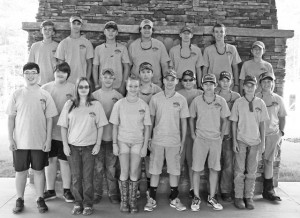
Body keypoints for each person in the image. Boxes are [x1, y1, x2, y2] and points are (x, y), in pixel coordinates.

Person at [7, 62, 58, 214]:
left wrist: (48, 140)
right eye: (27, 72)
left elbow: (50, 119)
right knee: (21, 172)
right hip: (20, 142)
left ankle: (40, 198)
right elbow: (11, 118)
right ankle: (20, 199)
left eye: (33, 72)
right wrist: (11, 139)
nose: (30, 75)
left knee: (39, 170)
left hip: (39, 142)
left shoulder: (45, 95)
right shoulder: (17, 94)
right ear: (23, 75)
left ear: (38, 74)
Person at [58, 77, 108, 215]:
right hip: (73, 147)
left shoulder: (95, 105)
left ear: (89, 89)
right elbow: (63, 127)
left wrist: (97, 144)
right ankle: (78, 203)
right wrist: (65, 145)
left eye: (86, 87)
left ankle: (88, 204)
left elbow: (101, 126)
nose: (84, 89)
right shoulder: (69, 104)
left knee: (88, 178)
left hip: (89, 147)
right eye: (81, 87)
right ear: (77, 88)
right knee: (76, 178)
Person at [144, 69, 189, 212]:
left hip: (174, 141)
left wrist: (182, 141)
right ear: (163, 80)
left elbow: (184, 122)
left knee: (174, 171)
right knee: (155, 170)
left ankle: (174, 198)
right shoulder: (156, 98)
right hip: (157, 140)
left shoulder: (181, 99)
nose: (170, 82)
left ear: (176, 81)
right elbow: (150, 119)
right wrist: (149, 137)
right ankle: (151, 199)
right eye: (167, 79)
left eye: (173, 79)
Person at [110, 75, 151, 213]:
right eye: (130, 86)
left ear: (139, 87)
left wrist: (145, 146)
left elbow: (147, 128)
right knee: (124, 171)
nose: (133, 89)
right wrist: (115, 144)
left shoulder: (143, 105)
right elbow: (115, 125)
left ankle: (133, 202)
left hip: (137, 142)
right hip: (123, 141)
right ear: (126, 87)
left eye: (136, 86)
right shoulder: (119, 104)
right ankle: (124, 201)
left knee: (134, 172)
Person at [189, 74, 230, 212]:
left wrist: (221, 136)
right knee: (196, 169)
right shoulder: (196, 100)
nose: (208, 86)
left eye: (211, 84)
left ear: (215, 85)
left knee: (214, 168)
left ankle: (212, 197)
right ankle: (196, 197)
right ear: (202, 85)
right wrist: (193, 134)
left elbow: (225, 120)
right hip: (200, 138)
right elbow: (191, 118)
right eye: (205, 84)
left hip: (215, 139)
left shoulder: (221, 101)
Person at [230, 75, 269, 210]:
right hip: (241, 140)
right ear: (243, 87)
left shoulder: (260, 103)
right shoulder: (239, 102)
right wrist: (234, 140)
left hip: (255, 141)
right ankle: (239, 197)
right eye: (247, 85)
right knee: (239, 171)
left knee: (252, 171)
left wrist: (262, 142)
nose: (250, 87)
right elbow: (234, 123)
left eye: (252, 85)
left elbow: (263, 124)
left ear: (256, 86)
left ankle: (249, 197)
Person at [41, 62, 75, 203]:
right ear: (54, 72)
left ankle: (67, 191)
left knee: (65, 161)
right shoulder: (45, 88)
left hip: (67, 133)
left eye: (64, 71)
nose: (60, 73)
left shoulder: (73, 88)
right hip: (49, 132)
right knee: (50, 160)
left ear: (68, 74)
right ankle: (51, 190)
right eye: (58, 71)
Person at [92, 68, 123, 204]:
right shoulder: (94, 95)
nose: (108, 80)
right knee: (97, 169)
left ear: (114, 79)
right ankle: (97, 193)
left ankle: (113, 193)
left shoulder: (119, 96)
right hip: (96, 139)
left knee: (111, 169)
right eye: (105, 77)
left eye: (111, 77)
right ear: (101, 78)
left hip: (112, 138)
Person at [256, 72, 287, 202]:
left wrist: (281, 133)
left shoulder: (278, 99)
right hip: (256, 136)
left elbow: (282, 117)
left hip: (272, 134)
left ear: (273, 83)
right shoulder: (255, 97)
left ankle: (268, 190)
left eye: (269, 81)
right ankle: (249, 191)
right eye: (264, 81)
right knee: (254, 162)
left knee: (269, 161)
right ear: (260, 84)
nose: (267, 84)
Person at [137, 62, 162, 197]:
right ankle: (134, 187)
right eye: (143, 72)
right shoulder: (134, 88)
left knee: (148, 159)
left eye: (148, 71)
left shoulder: (157, 90)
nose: (145, 74)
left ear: (152, 74)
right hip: (136, 129)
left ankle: (148, 187)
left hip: (152, 130)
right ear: (139, 74)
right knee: (135, 159)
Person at [177, 70, 203, 198]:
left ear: (195, 81)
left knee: (193, 163)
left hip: (195, 133)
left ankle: (193, 189)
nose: (188, 82)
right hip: (179, 133)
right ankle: (174, 191)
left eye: (190, 80)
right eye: (185, 80)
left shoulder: (201, 93)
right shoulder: (177, 94)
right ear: (181, 82)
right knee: (178, 162)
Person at [217, 71, 241, 202]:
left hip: (230, 135)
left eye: (227, 80)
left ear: (231, 82)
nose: (225, 83)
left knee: (228, 165)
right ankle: (213, 191)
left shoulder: (237, 97)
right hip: (215, 134)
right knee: (213, 164)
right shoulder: (214, 95)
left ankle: (225, 191)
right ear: (219, 82)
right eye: (223, 80)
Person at [128, 19, 170, 87]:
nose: (146, 30)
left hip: (155, 85)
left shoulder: (159, 45)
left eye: (149, 28)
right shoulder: (133, 45)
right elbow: (128, 66)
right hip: (136, 86)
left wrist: (166, 83)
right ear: (140, 30)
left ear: (152, 30)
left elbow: (164, 66)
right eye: (144, 28)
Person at [93, 21, 130, 95]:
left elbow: (127, 68)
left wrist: (123, 86)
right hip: (102, 85)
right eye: (108, 30)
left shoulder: (122, 48)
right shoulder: (98, 48)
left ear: (117, 33)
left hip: (117, 86)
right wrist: (96, 84)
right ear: (104, 32)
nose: (111, 33)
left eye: (113, 31)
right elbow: (95, 67)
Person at [203, 23, 241, 92]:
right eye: (216, 32)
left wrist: (236, 85)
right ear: (213, 34)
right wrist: (204, 83)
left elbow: (235, 68)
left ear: (225, 33)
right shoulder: (208, 50)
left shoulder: (232, 48)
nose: (219, 34)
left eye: (221, 31)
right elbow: (205, 68)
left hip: (228, 85)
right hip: (213, 85)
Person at [55, 15, 94, 84]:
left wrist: (87, 80)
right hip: (67, 81)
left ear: (81, 26)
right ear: (70, 25)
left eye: (78, 24)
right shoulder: (63, 43)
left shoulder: (87, 43)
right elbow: (60, 64)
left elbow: (89, 64)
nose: (76, 26)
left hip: (81, 81)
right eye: (74, 23)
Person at [28, 20, 58, 85]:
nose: (47, 31)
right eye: (45, 29)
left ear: (53, 32)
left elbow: (60, 65)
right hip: (38, 82)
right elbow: (30, 65)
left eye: (50, 29)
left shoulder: (57, 46)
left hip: (53, 82)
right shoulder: (35, 46)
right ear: (41, 31)